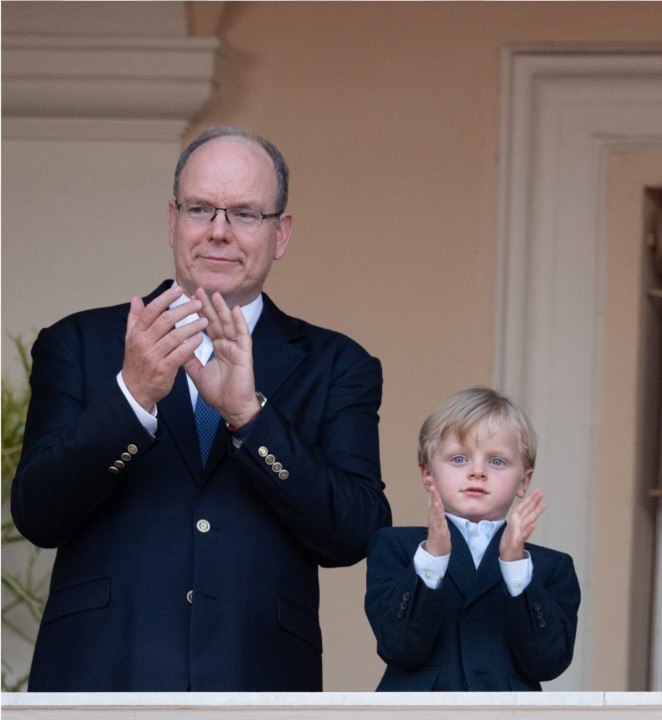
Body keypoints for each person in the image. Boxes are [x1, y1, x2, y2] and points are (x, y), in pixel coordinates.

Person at [10, 126, 391, 691]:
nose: (219, 232)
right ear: (172, 221)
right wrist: (132, 398)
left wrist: (251, 418)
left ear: (280, 233)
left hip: (257, 682)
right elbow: (38, 514)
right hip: (101, 677)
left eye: (244, 213)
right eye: (200, 209)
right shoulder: (80, 343)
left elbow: (356, 533)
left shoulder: (338, 364)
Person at [364, 387, 580, 691]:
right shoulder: (396, 547)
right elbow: (399, 648)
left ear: (524, 481)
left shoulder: (550, 567)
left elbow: (547, 662)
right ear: (428, 474)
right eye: (458, 459)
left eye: (497, 462)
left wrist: (514, 566)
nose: (477, 471)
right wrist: (433, 557)